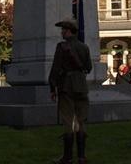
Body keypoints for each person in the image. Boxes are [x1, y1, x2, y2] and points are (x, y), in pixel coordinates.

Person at [48, 17, 92, 164]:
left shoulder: (62, 47)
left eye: (63, 30)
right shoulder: (84, 47)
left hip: (66, 86)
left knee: (68, 121)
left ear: (68, 31)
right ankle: (81, 156)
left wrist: (52, 87)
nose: (61, 33)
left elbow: (55, 68)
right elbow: (89, 67)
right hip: (81, 85)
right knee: (81, 120)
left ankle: (67, 157)